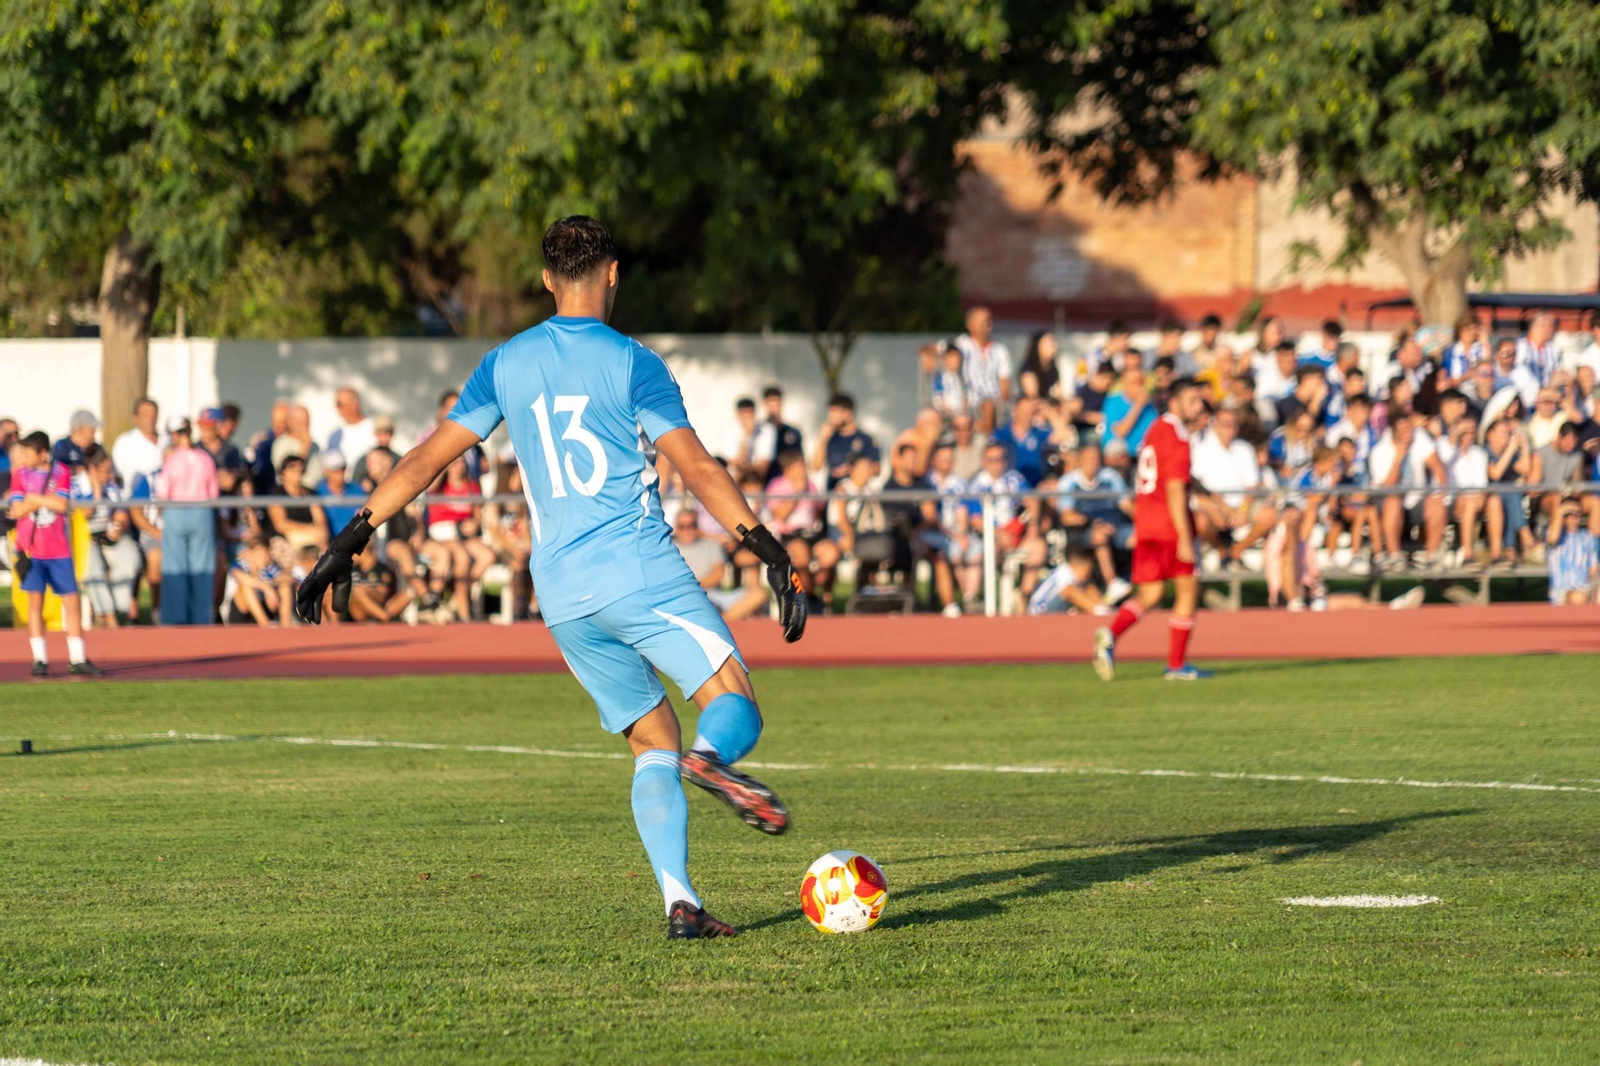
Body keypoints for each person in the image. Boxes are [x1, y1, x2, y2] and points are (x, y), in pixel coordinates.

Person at [293, 216, 808, 941]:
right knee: (733, 700)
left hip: (562, 596)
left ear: (544, 279)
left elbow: (425, 458)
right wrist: (767, 548)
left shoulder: (504, 362)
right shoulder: (635, 362)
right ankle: (712, 759)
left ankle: (681, 904)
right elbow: (695, 467)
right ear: (614, 273)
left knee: (649, 740)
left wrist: (351, 537)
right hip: (637, 568)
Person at [1092, 378, 1211, 682]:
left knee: (1152, 592)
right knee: (1187, 588)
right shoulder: (1177, 436)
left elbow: (1179, 477)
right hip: (1170, 526)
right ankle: (1176, 665)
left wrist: (1217, 504)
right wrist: (1185, 535)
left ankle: (1110, 632)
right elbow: (1174, 489)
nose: (1199, 406)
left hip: (1146, 524)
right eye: (1193, 401)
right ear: (1175, 403)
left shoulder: (1156, 429)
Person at [6, 431, 103, 676]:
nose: (24, 457)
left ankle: (77, 657)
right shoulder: (20, 474)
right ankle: (40, 659)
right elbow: (17, 509)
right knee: (34, 603)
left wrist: (35, 498)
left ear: (42, 453)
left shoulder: (61, 472)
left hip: (58, 549)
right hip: (31, 549)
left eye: (28, 453)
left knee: (71, 602)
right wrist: (42, 501)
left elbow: (61, 505)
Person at [157, 416, 220, 625]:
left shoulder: (172, 459)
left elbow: (163, 492)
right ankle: (201, 617)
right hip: (201, 510)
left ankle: (176, 618)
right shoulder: (204, 458)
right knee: (202, 568)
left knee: (175, 567)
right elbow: (214, 492)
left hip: (176, 510)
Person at [955, 305, 1012, 431]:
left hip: (994, 404)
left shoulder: (1000, 351)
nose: (987, 323)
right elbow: (932, 350)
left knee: (989, 407)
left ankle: (987, 442)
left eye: (989, 319)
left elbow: (1005, 386)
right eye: (982, 320)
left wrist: (1001, 403)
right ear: (970, 324)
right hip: (969, 403)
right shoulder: (960, 345)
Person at [812, 393, 879, 489]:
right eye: (830, 412)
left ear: (848, 414)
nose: (830, 417)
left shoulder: (865, 439)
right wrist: (822, 439)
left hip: (857, 497)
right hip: (832, 493)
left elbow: (877, 469)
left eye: (835, 412)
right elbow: (816, 466)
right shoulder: (830, 438)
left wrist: (852, 470)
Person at [1026, 547, 1106, 616]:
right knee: (1071, 591)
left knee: (1088, 588)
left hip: (1053, 609)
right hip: (1040, 611)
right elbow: (1068, 591)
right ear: (1079, 566)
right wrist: (1096, 609)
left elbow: (1090, 588)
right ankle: (1098, 610)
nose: (1088, 575)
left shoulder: (1078, 577)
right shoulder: (1065, 572)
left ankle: (1101, 609)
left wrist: (1101, 605)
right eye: (1087, 572)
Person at [1546, 500, 1598, 605]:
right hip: (1561, 591)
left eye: (1577, 514)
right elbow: (1552, 539)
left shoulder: (1588, 537)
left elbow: (1593, 570)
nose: (1573, 517)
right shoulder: (1557, 535)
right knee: (1578, 598)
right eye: (1568, 514)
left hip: (1585, 588)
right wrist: (1561, 510)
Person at [111, 396, 164, 486]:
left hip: (165, 498)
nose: (151, 419)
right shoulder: (125, 443)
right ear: (136, 419)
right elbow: (117, 474)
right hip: (135, 498)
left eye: (153, 415)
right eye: (146, 415)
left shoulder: (167, 440)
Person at [327, 388, 378, 467]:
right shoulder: (336, 434)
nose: (337, 409)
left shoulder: (374, 427)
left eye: (339, 404)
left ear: (354, 404)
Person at [351, 414, 401, 487]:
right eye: (380, 433)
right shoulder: (364, 460)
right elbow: (354, 486)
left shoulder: (399, 460)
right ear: (375, 434)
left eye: (387, 433)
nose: (384, 437)